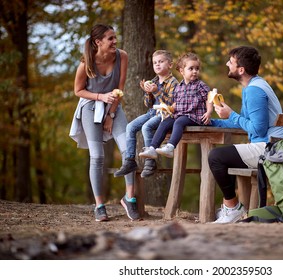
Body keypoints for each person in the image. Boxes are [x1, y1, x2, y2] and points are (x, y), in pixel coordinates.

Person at [208, 46, 283, 224]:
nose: (227, 64)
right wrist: (210, 121)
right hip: (268, 145)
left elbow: (257, 129)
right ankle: (232, 208)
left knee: (216, 157)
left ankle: (232, 209)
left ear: (241, 70)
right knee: (223, 156)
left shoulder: (254, 90)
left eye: (231, 61)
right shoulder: (253, 86)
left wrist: (232, 115)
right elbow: (243, 121)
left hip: (270, 148)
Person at [69, 24, 139, 222]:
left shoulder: (122, 56)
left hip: (113, 107)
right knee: (97, 156)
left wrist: (111, 114)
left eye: (115, 37)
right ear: (98, 42)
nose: (115, 42)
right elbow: (78, 91)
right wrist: (100, 97)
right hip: (90, 108)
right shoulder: (86, 64)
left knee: (128, 150)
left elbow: (120, 87)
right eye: (110, 38)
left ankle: (129, 198)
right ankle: (99, 206)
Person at [113, 50, 179, 178]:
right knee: (130, 127)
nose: (157, 65)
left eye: (161, 62)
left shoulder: (173, 83)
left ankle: (150, 161)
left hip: (164, 115)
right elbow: (148, 104)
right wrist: (148, 93)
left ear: (170, 65)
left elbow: (171, 103)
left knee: (146, 127)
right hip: (151, 112)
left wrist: (156, 91)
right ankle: (130, 160)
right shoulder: (153, 81)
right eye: (155, 63)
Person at [139, 52, 213, 160]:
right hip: (179, 114)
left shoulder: (200, 85)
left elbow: (209, 98)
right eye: (191, 68)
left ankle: (170, 147)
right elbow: (175, 103)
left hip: (194, 116)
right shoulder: (179, 87)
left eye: (197, 68)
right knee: (165, 122)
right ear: (182, 71)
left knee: (179, 121)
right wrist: (169, 109)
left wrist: (209, 112)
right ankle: (152, 148)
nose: (195, 71)